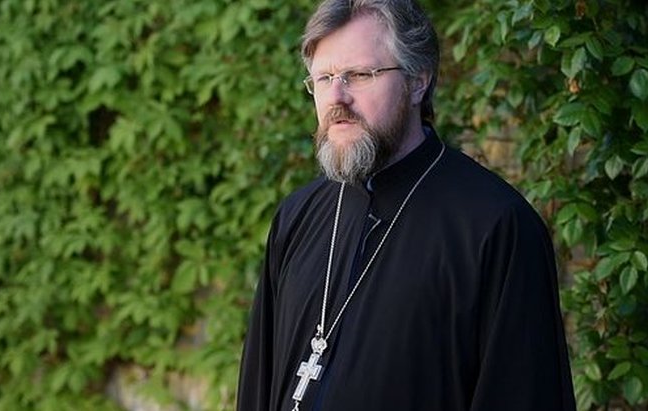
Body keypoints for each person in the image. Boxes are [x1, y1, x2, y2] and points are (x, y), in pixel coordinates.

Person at [237, 0, 577, 410]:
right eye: (323, 78)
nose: (336, 97)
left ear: (418, 81)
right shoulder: (297, 216)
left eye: (359, 75)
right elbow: (257, 387)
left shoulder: (497, 227)